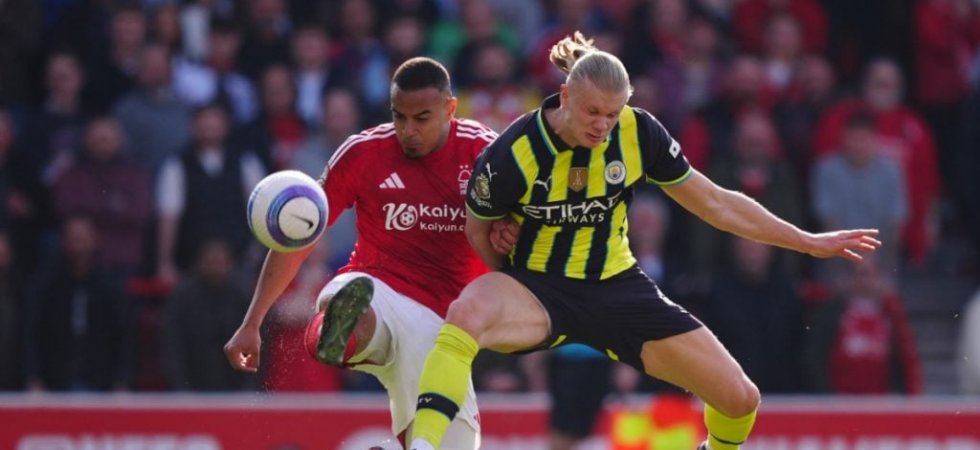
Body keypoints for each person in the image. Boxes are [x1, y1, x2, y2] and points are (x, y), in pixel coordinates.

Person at [407, 32, 881, 450]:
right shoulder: (512, 154)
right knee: (466, 315)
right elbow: (477, 230)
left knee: (740, 399)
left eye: (612, 114)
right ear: (565, 95)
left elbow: (715, 203)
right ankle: (422, 444)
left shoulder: (638, 132)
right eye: (592, 112)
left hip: (618, 289)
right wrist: (506, 265)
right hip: (537, 288)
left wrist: (806, 241)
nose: (602, 125)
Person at [223, 57, 514, 449]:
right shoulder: (363, 152)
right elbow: (299, 235)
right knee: (356, 305)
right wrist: (252, 321)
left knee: (456, 445)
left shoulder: (487, 155)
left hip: (445, 323)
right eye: (399, 117)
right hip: (376, 286)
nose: (408, 131)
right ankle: (336, 331)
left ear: (450, 109)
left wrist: (511, 233)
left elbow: (524, 230)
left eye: (422, 119)